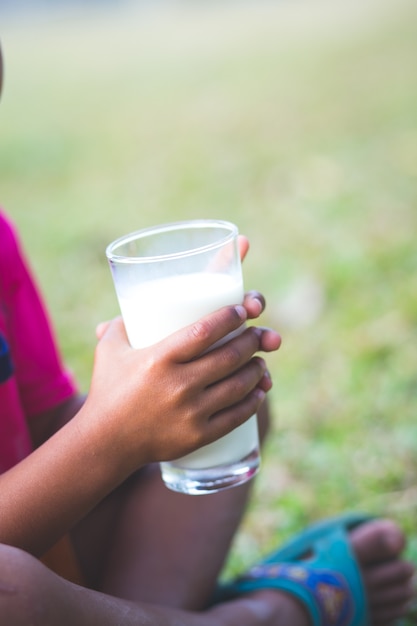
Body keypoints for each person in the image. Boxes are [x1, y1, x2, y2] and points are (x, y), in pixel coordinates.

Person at [0, 43, 414, 626]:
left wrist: (150, 397)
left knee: (222, 413)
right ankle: (269, 614)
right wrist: (109, 437)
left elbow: (42, 430)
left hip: (54, 550)